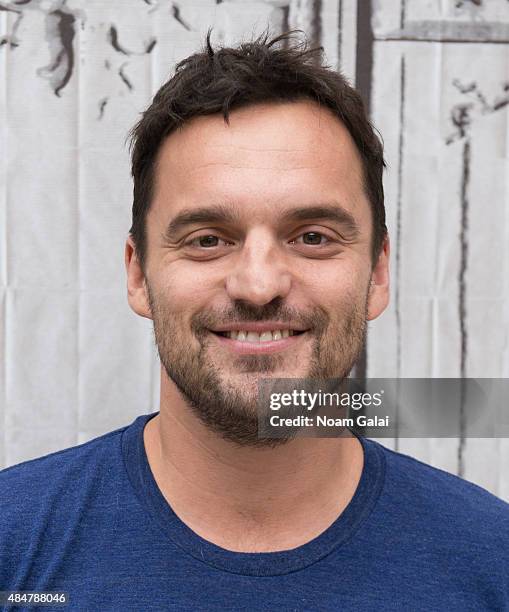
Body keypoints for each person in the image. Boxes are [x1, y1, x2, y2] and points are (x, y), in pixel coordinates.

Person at [1, 29, 508, 611]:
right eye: (208, 239)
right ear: (138, 274)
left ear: (377, 274)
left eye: (312, 237)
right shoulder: (13, 549)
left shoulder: (493, 565)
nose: (259, 284)